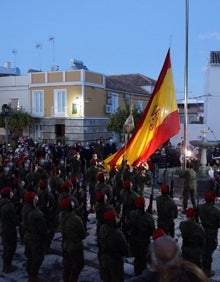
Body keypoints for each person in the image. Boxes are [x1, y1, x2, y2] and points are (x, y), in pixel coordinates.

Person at [58, 196, 87, 282]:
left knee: (67, 266)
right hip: (75, 246)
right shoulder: (76, 219)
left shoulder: (61, 215)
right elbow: (83, 234)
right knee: (77, 266)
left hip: (65, 244)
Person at [22, 191, 48, 282]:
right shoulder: (38, 214)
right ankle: (33, 276)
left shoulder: (25, 209)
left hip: (27, 236)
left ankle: (30, 273)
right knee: (38, 257)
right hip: (36, 239)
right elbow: (42, 230)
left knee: (30, 257)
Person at [98, 209, 129, 282]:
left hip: (104, 259)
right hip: (115, 262)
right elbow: (125, 251)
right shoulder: (118, 234)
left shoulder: (102, 228)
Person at [129, 196, 155, 276]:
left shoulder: (131, 214)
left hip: (134, 241)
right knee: (143, 260)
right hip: (144, 242)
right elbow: (152, 232)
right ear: (144, 205)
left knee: (137, 259)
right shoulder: (149, 217)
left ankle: (137, 273)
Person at [198, 190, 220, 277]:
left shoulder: (200, 207)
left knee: (204, 249)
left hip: (203, 230)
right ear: (213, 200)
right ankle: (207, 270)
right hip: (212, 232)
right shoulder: (216, 211)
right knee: (209, 251)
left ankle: (203, 267)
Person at [0, 187, 19, 273]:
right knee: (11, 247)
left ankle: (5, 265)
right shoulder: (9, 206)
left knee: (6, 246)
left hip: (3, 227)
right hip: (9, 228)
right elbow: (14, 220)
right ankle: (8, 266)